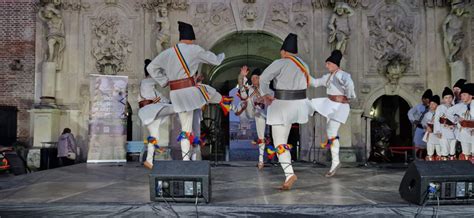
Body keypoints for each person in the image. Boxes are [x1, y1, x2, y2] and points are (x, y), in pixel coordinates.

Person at [147, 21, 230, 161]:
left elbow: (151, 68)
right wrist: (221, 56)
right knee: (206, 91)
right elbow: (215, 61)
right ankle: (225, 102)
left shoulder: (168, 52)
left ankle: (185, 160)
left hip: (175, 93)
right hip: (189, 92)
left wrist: (164, 80)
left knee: (185, 127)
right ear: (192, 39)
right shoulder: (194, 49)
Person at [259, 33, 315, 190]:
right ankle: (289, 174)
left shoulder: (281, 62)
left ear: (284, 51)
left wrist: (265, 94)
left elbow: (263, 78)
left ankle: (290, 174)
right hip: (297, 106)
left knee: (279, 143)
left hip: (281, 105)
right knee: (282, 140)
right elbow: (306, 84)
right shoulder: (304, 65)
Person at [310, 50, 356, 177]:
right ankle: (335, 162)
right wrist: (304, 74)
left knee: (331, 131)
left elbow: (350, 84)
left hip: (339, 107)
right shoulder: (329, 77)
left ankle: (335, 162)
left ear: (335, 64)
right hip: (330, 104)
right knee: (330, 131)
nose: (327, 66)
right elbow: (315, 82)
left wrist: (348, 96)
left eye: (329, 63)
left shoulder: (342, 75)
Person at [138, 59, 175, 169]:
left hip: (153, 112)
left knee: (154, 137)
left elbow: (162, 98)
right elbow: (160, 81)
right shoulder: (146, 82)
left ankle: (149, 161)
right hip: (150, 110)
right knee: (177, 107)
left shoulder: (151, 88)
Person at [236, 66, 269, 170]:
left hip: (262, 113)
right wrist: (241, 76)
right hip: (249, 111)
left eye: (256, 78)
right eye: (252, 78)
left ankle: (260, 161)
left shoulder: (266, 89)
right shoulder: (250, 88)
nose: (253, 80)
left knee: (261, 136)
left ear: (260, 79)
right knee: (245, 97)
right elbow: (242, 88)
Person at [447, 83, 474, 161]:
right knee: (465, 152)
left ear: (471, 95)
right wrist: (457, 119)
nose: (462, 97)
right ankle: (467, 172)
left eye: (464, 95)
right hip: (464, 132)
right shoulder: (460, 106)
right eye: (461, 95)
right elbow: (448, 112)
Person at [434, 87, 456, 160]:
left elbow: (457, 120)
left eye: (450, 97)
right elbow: (436, 120)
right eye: (446, 97)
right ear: (443, 99)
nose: (448, 99)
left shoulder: (455, 107)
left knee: (452, 150)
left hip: (453, 131)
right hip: (443, 131)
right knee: (445, 149)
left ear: (452, 98)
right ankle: (445, 168)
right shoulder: (440, 107)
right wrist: (437, 131)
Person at [408, 89, 433, 155]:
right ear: (423, 99)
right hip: (419, 127)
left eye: (428, 99)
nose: (427, 101)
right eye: (425, 99)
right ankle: (418, 159)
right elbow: (410, 113)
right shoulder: (418, 107)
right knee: (418, 144)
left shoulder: (432, 107)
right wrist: (413, 120)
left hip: (428, 129)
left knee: (429, 144)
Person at [423, 95, 441, 161]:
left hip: (438, 135)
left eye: (434, 104)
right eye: (431, 104)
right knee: (430, 151)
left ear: (438, 105)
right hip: (430, 135)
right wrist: (426, 127)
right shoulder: (427, 114)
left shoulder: (441, 113)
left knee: (439, 151)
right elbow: (424, 124)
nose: (432, 105)